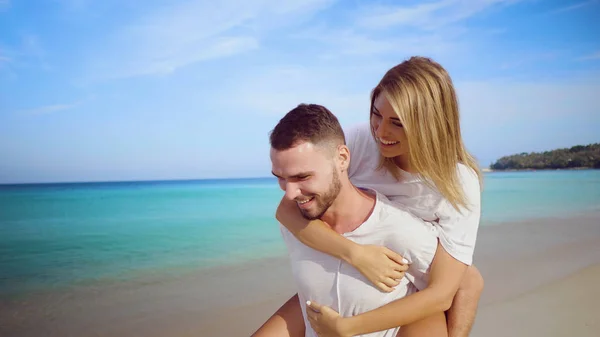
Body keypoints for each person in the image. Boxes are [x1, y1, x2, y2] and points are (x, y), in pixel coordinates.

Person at [259, 56, 484, 337]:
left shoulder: (459, 183)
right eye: (376, 114)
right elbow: (287, 210)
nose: (381, 132)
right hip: (355, 255)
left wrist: (347, 328)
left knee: (469, 281)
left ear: (431, 123)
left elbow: (442, 292)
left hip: (411, 276)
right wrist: (356, 254)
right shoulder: (361, 140)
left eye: (397, 123)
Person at [253, 103, 446, 337]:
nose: (289, 193)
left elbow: (444, 297)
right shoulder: (295, 225)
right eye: (281, 178)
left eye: (302, 177)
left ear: (342, 158)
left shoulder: (400, 230)